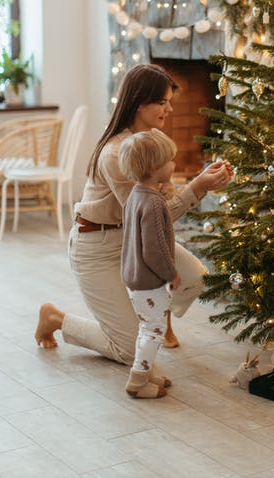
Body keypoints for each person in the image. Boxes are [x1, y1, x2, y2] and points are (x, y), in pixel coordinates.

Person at [35, 63, 232, 365]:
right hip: (96, 247)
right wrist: (198, 186)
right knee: (129, 350)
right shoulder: (117, 154)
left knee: (195, 278)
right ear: (141, 103)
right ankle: (57, 319)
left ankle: (157, 312)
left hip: (132, 241)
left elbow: (162, 203)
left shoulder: (152, 143)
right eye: (162, 102)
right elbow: (149, 218)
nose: (168, 109)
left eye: (170, 102)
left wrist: (202, 184)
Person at [119, 128, 180, 399]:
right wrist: (171, 273)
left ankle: (147, 371)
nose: (174, 164)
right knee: (154, 329)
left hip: (133, 277)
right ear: (156, 168)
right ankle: (137, 380)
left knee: (147, 326)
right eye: (170, 161)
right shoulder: (154, 203)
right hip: (148, 278)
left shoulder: (136, 194)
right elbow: (154, 250)